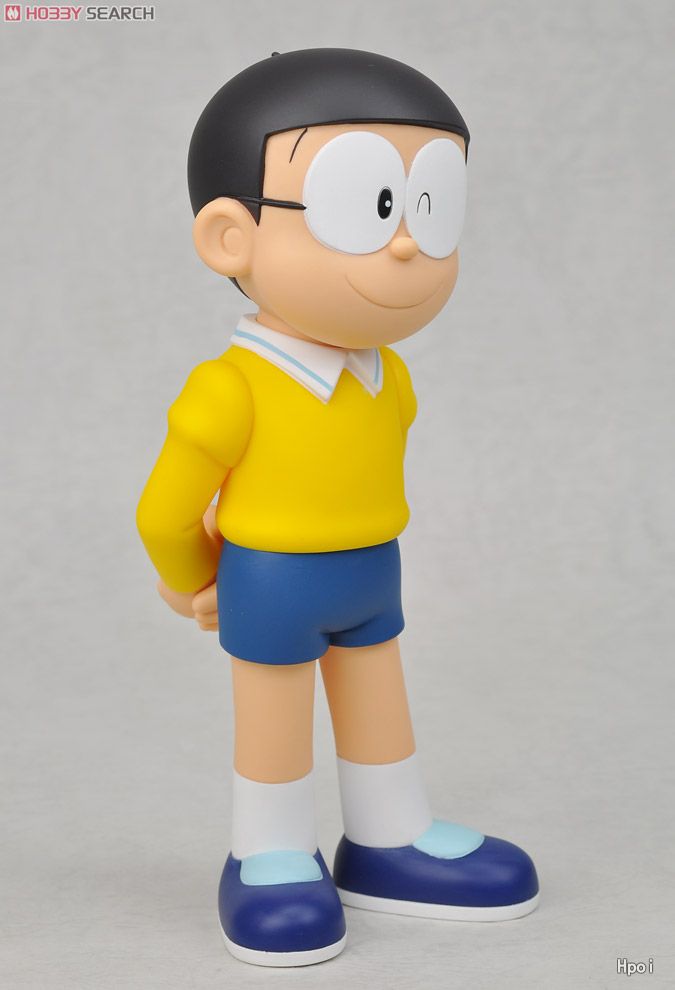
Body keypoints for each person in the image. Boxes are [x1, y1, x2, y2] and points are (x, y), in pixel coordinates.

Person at [137, 47, 539, 968]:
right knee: (273, 718)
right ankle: (270, 853)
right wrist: (193, 580)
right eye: (368, 205)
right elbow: (163, 510)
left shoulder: (388, 376)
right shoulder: (231, 389)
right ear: (230, 237)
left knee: (378, 702)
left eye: (430, 207)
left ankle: (389, 838)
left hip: (370, 569)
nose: (404, 245)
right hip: (270, 579)